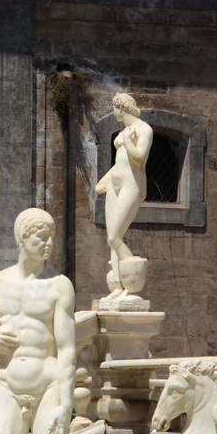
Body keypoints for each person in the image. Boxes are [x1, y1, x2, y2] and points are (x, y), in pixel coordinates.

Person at [0, 208, 77, 434]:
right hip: (8, 385)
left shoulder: (59, 286)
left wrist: (67, 406)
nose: (49, 244)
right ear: (23, 238)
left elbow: (68, 349)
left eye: (51, 238)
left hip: (48, 385)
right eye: (42, 237)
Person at [94, 92, 153, 301]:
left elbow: (138, 158)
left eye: (114, 107)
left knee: (114, 236)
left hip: (132, 185)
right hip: (115, 186)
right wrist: (105, 179)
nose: (113, 111)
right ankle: (118, 287)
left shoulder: (144, 129)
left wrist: (127, 141)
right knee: (112, 239)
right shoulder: (124, 131)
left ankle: (133, 276)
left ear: (122, 107)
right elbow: (120, 162)